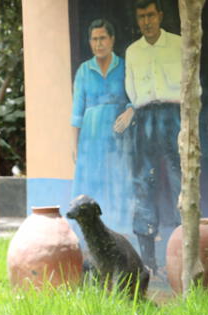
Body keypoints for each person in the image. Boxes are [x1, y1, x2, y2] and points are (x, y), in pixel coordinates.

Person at [113, 0, 182, 272]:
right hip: (144, 122)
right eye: (142, 16)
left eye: (151, 15)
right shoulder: (133, 52)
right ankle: (148, 263)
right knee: (143, 184)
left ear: (160, 16)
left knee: (179, 183)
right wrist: (133, 110)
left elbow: (193, 88)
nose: (147, 21)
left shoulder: (178, 44)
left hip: (174, 117)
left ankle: (179, 259)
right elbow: (132, 92)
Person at [71, 18, 131, 234]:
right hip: (91, 136)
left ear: (112, 39)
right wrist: (75, 145)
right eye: (94, 39)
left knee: (117, 180)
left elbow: (134, 96)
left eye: (103, 38)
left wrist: (131, 110)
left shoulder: (124, 66)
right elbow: (77, 112)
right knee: (91, 181)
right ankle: (89, 233)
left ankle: (118, 231)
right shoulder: (84, 71)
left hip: (117, 136)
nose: (99, 44)